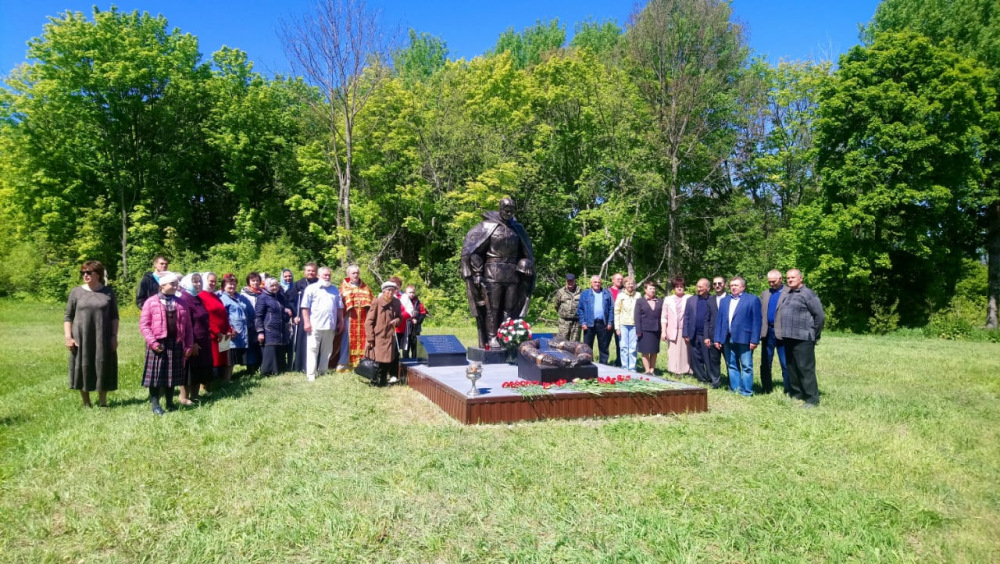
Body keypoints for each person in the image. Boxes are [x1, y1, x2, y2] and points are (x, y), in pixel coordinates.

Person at [460, 197, 535, 348]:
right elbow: (474, 252)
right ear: (500, 208)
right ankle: (492, 337)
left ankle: (506, 336)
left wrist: (526, 262)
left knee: (509, 309)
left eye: (512, 209)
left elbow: (526, 253)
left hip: (513, 274)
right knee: (492, 309)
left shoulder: (517, 228)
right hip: (492, 274)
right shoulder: (487, 226)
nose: (509, 212)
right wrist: (476, 273)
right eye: (506, 209)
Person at [64, 260, 119, 408]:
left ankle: (103, 402)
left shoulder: (108, 292)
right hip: (81, 337)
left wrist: (114, 336)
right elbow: (68, 316)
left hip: (103, 336)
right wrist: (68, 337)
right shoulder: (76, 292)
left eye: (89, 272)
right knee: (83, 365)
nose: (85, 275)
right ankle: (86, 402)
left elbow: (114, 316)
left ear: (98, 274)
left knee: (103, 364)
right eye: (83, 272)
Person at [139, 272, 193, 415]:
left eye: (177, 283)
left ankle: (170, 403)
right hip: (158, 343)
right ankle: (155, 405)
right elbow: (144, 325)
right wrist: (153, 343)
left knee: (172, 375)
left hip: (176, 342)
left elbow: (188, 326)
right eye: (173, 284)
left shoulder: (182, 303)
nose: (176, 286)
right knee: (156, 376)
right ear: (162, 285)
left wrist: (189, 345)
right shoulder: (151, 302)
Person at [774, 269, 825, 407]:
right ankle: (797, 393)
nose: (789, 280)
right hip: (788, 337)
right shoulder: (788, 294)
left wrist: (814, 334)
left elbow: (819, 316)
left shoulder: (808, 294)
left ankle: (812, 399)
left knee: (805, 368)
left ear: (801, 278)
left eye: (793, 277)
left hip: (803, 338)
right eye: (788, 278)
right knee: (792, 367)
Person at [713, 276, 761, 397]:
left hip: (744, 338)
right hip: (727, 338)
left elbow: (757, 321)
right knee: (732, 365)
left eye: (736, 285)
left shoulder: (752, 300)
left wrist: (754, 340)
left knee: (746, 366)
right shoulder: (725, 301)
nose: (733, 287)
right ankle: (735, 389)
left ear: (743, 287)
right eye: (732, 285)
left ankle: (746, 391)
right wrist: (717, 338)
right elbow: (720, 321)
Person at [300, 266, 343, 381]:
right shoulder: (311, 289)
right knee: (313, 349)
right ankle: (311, 374)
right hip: (315, 325)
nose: (328, 277)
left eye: (329, 275)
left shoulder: (335, 289)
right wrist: (306, 322)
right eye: (325, 275)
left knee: (327, 350)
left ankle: (323, 371)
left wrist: (341, 321)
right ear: (318, 276)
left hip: (330, 325)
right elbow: (304, 307)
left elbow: (339, 307)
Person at [177, 273, 211, 405]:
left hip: (203, 338)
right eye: (195, 282)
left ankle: (195, 395)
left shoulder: (197, 298)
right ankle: (184, 397)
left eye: (199, 281)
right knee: (189, 369)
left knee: (199, 367)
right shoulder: (184, 298)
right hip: (192, 340)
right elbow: (185, 323)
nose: (198, 284)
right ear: (187, 283)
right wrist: (192, 343)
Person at [365, 281, 403, 386]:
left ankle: (383, 380)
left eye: (393, 290)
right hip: (378, 336)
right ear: (383, 291)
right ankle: (374, 380)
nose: (391, 293)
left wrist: (397, 320)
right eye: (388, 291)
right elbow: (369, 321)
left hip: (390, 336)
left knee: (387, 359)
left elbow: (400, 316)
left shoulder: (396, 302)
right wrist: (370, 338)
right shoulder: (377, 302)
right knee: (377, 360)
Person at [336, 265, 374, 371]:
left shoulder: (365, 287)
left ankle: (361, 363)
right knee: (347, 340)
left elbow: (372, 302)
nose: (356, 275)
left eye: (357, 273)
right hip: (349, 318)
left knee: (363, 341)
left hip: (363, 318)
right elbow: (341, 304)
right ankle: (344, 364)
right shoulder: (344, 287)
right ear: (348, 274)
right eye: (353, 273)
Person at [219, 273, 256, 381]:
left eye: (234, 284)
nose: (232, 286)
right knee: (227, 357)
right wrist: (229, 328)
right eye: (229, 284)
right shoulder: (221, 298)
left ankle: (234, 376)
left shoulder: (241, 297)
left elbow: (251, 312)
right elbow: (221, 316)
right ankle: (225, 380)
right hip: (228, 331)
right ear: (224, 285)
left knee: (236, 356)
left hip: (242, 331)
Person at [199, 274, 231, 385]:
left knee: (223, 360)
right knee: (213, 360)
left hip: (223, 334)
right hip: (212, 335)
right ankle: (207, 385)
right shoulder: (201, 296)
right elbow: (205, 316)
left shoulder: (214, 296)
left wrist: (228, 329)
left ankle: (221, 383)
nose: (213, 283)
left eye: (215, 281)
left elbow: (223, 313)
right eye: (211, 281)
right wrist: (216, 332)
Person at [760, 269, 788, 394]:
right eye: (769, 282)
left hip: (782, 333)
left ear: (780, 279)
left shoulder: (789, 292)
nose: (771, 284)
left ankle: (789, 388)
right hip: (767, 332)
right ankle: (766, 388)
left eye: (774, 281)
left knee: (785, 363)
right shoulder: (765, 293)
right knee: (765, 362)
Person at [287, 262, 319, 372]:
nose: (311, 273)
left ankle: (316, 365)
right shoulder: (298, 284)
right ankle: (301, 366)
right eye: (308, 270)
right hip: (302, 317)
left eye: (313, 271)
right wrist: (295, 315)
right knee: (303, 341)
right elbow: (291, 301)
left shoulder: (320, 283)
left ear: (316, 272)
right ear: (304, 272)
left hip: (317, 317)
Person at [256, 277, 290, 376]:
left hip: (280, 330)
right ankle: (268, 371)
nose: (275, 287)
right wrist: (260, 332)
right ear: (266, 287)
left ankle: (280, 369)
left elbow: (280, 309)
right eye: (272, 286)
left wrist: (286, 311)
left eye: (276, 285)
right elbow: (258, 316)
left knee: (280, 350)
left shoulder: (279, 297)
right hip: (269, 329)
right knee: (271, 350)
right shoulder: (262, 297)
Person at [577, 275, 614, 364]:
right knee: (587, 347)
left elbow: (611, 309)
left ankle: (604, 365)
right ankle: (588, 364)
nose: (597, 284)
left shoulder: (606, 293)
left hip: (603, 324)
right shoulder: (585, 294)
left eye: (599, 282)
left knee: (604, 347)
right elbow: (580, 309)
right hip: (589, 324)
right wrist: (583, 323)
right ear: (591, 283)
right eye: (595, 282)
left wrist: (610, 322)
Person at [683, 278, 714, 386]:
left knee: (708, 358)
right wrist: (685, 333)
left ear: (708, 288)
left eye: (701, 287)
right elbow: (686, 317)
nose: (698, 289)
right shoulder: (691, 300)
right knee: (696, 358)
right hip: (693, 334)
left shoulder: (713, 300)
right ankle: (701, 378)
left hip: (707, 335)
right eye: (697, 286)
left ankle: (711, 378)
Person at [662, 277, 691, 376]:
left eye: (681, 286)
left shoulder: (688, 298)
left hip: (685, 329)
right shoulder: (668, 299)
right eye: (677, 286)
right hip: (672, 329)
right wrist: (663, 331)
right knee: (673, 351)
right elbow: (664, 316)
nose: (679, 288)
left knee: (685, 351)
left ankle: (686, 370)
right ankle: (674, 370)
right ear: (674, 288)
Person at [634, 282, 663, 375]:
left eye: (654, 289)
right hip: (644, 330)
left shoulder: (660, 301)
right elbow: (637, 316)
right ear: (645, 290)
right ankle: (647, 370)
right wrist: (638, 330)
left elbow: (663, 316)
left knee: (654, 351)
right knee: (645, 350)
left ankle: (652, 370)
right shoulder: (640, 301)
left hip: (656, 329)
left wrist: (663, 330)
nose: (653, 290)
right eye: (650, 288)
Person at [704, 276, 727, 388]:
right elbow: (707, 320)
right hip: (712, 335)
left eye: (719, 283)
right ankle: (715, 382)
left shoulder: (731, 298)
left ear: (725, 285)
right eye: (715, 284)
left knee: (729, 361)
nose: (717, 286)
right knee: (714, 361)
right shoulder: (710, 300)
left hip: (727, 336)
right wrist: (706, 336)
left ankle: (732, 382)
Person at [613, 276, 639, 372]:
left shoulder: (638, 295)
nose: (630, 285)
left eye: (632, 283)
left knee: (633, 348)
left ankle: (632, 368)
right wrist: (617, 327)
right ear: (625, 285)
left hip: (634, 325)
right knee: (623, 347)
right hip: (623, 325)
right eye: (628, 283)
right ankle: (624, 368)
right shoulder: (620, 296)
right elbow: (617, 312)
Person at [241, 272, 264, 374]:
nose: (255, 282)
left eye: (257, 280)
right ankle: (251, 367)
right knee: (250, 346)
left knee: (259, 344)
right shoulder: (244, 294)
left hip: (261, 322)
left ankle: (260, 364)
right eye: (253, 280)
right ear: (248, 282)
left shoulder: (263, 292)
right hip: (249, 323)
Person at [554, 274, 581, 341]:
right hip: (564, 321)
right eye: (568, 281)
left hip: (576, 321)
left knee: (575, 342)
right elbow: (556, 305)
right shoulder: (561, 292)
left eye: (571, 281)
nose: (570, 283)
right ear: (566, 281)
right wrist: (563, 313)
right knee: (562, 341)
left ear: (574, 281)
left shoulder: (580, 291)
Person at [403, 285, 428, 359]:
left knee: (415, 346)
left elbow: (423, 314)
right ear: (406, 293)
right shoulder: (403, 301)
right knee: (406, 347)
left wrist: (417, 320)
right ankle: (405, 363)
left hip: (415, 328)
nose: (411, 294)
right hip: (406, 328)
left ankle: (414, 362)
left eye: (413, 292)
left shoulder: (418, 302)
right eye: (410, 292)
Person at [609, 272, 625, 366]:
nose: (620, 280)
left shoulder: (625, 291)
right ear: (613, 280)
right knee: (605, 343)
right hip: (609, 321)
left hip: (621, 320)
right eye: (618, 279)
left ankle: (619, 362)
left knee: (620, 343)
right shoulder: (606, 291)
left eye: (621, 279)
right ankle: (604, 362)